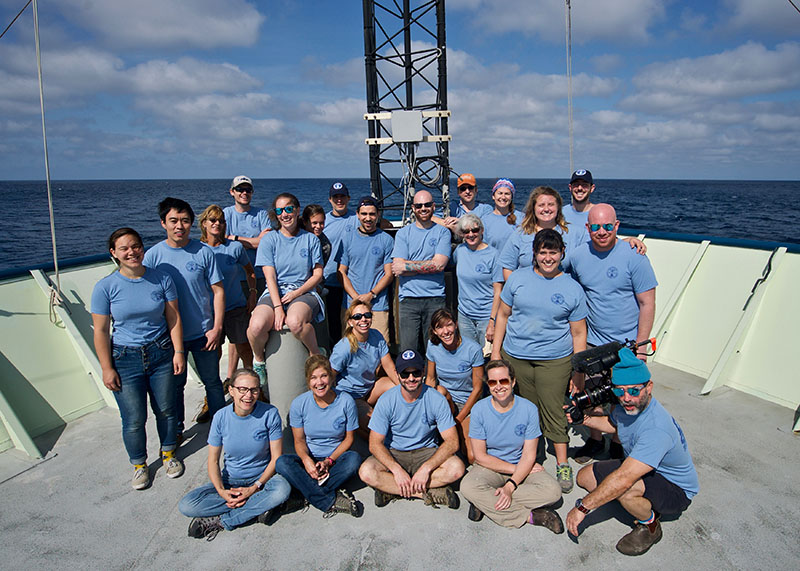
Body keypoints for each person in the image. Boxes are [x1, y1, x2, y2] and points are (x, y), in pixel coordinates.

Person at [565, 349, 699, 556]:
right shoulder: (626, 407)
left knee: (624, 488)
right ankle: (636, 502)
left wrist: (583, 508)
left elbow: (625, 478)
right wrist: (584, 419)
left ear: (649, 387)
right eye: (620, 391)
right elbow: (614, 425)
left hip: (676, 489)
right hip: (644, 468)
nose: (627, 398)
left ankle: (651, 525)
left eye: (634, 391)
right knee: (585, 478)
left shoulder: (656, 429)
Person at [492, 229, 588, 493]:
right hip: (516, 357)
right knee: (525, 410)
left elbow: (579, 333)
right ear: (534, 254)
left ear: (561, 254)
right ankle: (529, 458)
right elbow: (503, 315)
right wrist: (496, 353)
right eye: (542, 252)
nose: (548, 258)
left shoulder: (572, 287)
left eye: (553, 252)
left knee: (555, 410)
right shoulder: (518, 279)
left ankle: (562, 462)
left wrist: (577, 372)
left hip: (555, 361)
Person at [91, 228, 185, 490]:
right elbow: (100, 331)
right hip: (125, 357)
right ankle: (139, 465)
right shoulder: (105, 287)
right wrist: (106, 368)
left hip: (161, 352)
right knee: (133, 418)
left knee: (166, 409)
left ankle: (168, 454)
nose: (131, 252)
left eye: (136, 246)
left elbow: (173, 318)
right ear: (114, 253)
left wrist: (178, 352)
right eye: (124, 248)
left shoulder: (161, 279)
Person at [569, 204, 658, 462]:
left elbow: (647, 303)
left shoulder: (635, 256)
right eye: (595, 227)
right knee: (595, 396)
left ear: (617, 226)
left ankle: (619, 444)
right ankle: (596, 442)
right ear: (587, 228)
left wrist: (641, 349)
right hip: (595, 342)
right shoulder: (577, 257)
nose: (602, 231)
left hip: (627, 345)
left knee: (625, 399)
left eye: (608, 226)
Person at [143, 197, 226, 440]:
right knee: (175, 387)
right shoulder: (153, 256)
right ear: (163, 223)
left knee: (212, 381)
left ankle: (221, 428)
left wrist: (216, 328)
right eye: (173, 221)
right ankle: (177, 430)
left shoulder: (203, 252)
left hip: (203, 332)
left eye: (185, 221)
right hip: (169, 338)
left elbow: (218, 291)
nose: (180, 226)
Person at [178, 369, 290, 540]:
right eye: (242, 389)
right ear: (231, 390)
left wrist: (254, 488)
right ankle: (257, 508)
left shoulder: (269, 413)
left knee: (281, 490)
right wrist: (222, 492)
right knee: (187, 505)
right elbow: (213, 461)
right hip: (231, 481)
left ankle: (224, 520)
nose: (249, 395)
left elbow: (276, 458)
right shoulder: (221, 417)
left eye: (254, 390)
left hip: (263, 480)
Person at [460, 360, 563, 532]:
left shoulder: (529, 409)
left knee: (553, 492)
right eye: (492, 382)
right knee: (468, 486)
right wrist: (514, 470)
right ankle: (532, 517)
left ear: (513, 381)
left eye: (504, 381)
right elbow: (480, 456)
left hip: (522, 465)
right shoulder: (479, 410)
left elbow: (529, 455)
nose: (499, 386)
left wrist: (510, 485)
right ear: (488, 385)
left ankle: (486, 503)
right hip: (491, 466)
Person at [358, 349, 465, 509]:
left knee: (457, 468)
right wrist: (396, 469)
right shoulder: (387, 400)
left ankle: (391, 489)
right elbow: (375, 443)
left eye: (415, 373)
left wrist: (426, 468)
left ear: (423, 372)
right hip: (395, 451)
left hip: (426, 451)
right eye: (405, 374)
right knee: (366, 472)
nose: (411, 378)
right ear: (397, 374)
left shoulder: (436, 399)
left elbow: (452, 442)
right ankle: (425, 493)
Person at [248, 193, 324, 385]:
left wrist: (296, 294)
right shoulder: (269, 240)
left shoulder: (310, 240)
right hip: (275, 292)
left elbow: (317, 275)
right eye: (279, 211)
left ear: (297, 210)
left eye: (289, 209)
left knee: (295, 322)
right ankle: (259, 361)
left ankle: (316, 354)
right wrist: (277, 307)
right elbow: (270, 277)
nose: (285, 214)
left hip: (304, 291)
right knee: (256, 326)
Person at [275, 355, 364, 518]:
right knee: (282, 463)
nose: (320, 382)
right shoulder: (299, 404)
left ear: (331, 377)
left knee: (354, 460)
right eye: (314, 378)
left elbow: (349, 439)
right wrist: (306, 460)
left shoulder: (346, 401)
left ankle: (304, 494)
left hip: (335, 459)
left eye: (323, 376)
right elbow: (299, 440)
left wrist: (329, 461)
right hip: (310, 458)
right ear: (308, 381)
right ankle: (328, 499)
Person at [198, 204, 256, 398]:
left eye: (221, 221)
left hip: (235, 307)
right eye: (213, 220)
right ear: (204, 223)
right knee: (212, 356)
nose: (217, 224)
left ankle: (253, 390)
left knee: (244, 349)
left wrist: (253, 294)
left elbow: (250, 271)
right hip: (209, 311)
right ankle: (211, 397)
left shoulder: (235, 248)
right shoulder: (197, 250)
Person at [222, 176, 271, 386]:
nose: (244, 193)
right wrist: (252, 242)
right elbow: (220, 239)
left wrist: (235, 239)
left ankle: (261, 367)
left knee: (260, 325)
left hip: (259, 278)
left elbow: (264, 242)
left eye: (248, 189)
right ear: (232, 192)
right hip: (234, 280)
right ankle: (231, 375)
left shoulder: (261, 214)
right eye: (240, 189)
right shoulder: (225, 214)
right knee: (237, 330)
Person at [391, 190, 452, 354]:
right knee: (408, 350)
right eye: (419, 205)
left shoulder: (443, 232)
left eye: (426, 205)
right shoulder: (403, 233)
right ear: (413, 208)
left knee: (435, 350)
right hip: (408, 301)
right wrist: (428, 265)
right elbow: (397, 267)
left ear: (433, 206)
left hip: (435, 299)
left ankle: (432, 380)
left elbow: (439, 265)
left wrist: (407, 266)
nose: (423, 208)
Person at [425, 308, 484, 462]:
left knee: (471, 457)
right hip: (445, 402)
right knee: (440, 390)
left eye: (449, 325)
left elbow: (478, 389)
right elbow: (430, 380)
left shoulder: (473, 349)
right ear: (435, 331)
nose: (446, 331)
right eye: (440, 327)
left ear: (456, 325)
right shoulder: (432, 345)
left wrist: (459, 418)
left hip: (467, 404)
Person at [329, 300, 398, 431]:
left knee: (397, 386)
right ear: (350, 322)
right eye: (357, 317)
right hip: (351, 396)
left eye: (367, 315)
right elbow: (330, 375)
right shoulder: (344, 347)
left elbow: (389, 366)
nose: (363, 319)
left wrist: (405, 391)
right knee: (373, 423)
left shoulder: (376, 335)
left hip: (370, 389)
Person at [338, 196, 394, 343]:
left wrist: (371, 295)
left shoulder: (387, 240)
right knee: (350, 347)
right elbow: (341, 272)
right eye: (364, 214)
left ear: (378, 215)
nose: (368, 218)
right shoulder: (347, 238)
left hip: (378, 305)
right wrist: (355, 297)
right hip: (351, 304)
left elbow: (388, 274)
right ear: (357, 214)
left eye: (372, 214)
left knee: (381, 346)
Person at [500, 186, 584, 279]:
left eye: (551, 204)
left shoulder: (575, 233)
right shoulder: (521, 234)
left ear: (558, 207)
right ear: (534, 208)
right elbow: (508, 267)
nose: (546, 209)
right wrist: (517, 290)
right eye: (541, 205)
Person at [452, 214, 502, 349]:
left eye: (474, 230)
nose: (471, 234)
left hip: (486, 317)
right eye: (466, 231)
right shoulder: (460, 251)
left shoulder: (494, 255)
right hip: (464, 316)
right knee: (469, 355)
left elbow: (498, 291)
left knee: (488, 358)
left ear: (482, 231)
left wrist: (492, 321)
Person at [323, 182, 358, 342]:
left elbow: (379, 224)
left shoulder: (357, 218)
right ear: (330, 199)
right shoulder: (323, 222)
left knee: (352, 323)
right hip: (329, 281)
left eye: (342, 196)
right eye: (335, 197)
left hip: (351, 282)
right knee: (333, 324)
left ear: (348, 198)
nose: (339, 200)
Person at [480, 179, 523, 251]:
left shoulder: (521, 218)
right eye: (500, 193)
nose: (503, 197)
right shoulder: (485, 221)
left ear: (511, 197)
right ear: (493, 196)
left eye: (507, 194)